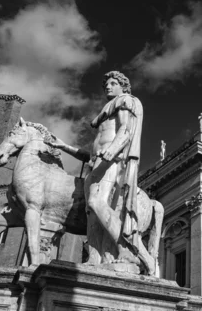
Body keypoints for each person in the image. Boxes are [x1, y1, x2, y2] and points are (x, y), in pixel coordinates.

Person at [46, 71, 153, 273]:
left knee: (96, 203)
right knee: (91, 214)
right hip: (97, 164)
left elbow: (126, 131)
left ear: (124, 86)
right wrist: (64, 146)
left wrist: (111, 151)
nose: (108, 87)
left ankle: (127, 249)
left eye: (113, 83)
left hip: (112, 161)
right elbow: (91, 153)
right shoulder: (107, 111)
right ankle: (94, 259)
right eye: (106, 84)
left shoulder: (124, 101)